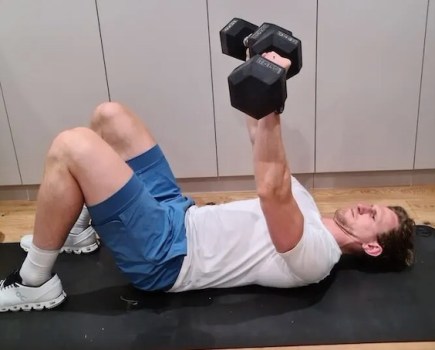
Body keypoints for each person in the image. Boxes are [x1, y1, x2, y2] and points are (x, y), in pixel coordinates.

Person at [0, 52, 415, 312]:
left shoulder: (318, 257)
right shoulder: (307, 205)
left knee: (72, 146)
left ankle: (34, 284)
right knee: (110, 116)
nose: (364, 205)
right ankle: (75, 233)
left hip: (166, 255)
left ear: (372, 245)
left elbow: (272, 189)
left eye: (372, 216)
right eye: (371, 203)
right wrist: (257, 65)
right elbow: (260, 135)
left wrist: (270, 96)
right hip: (181, 214)